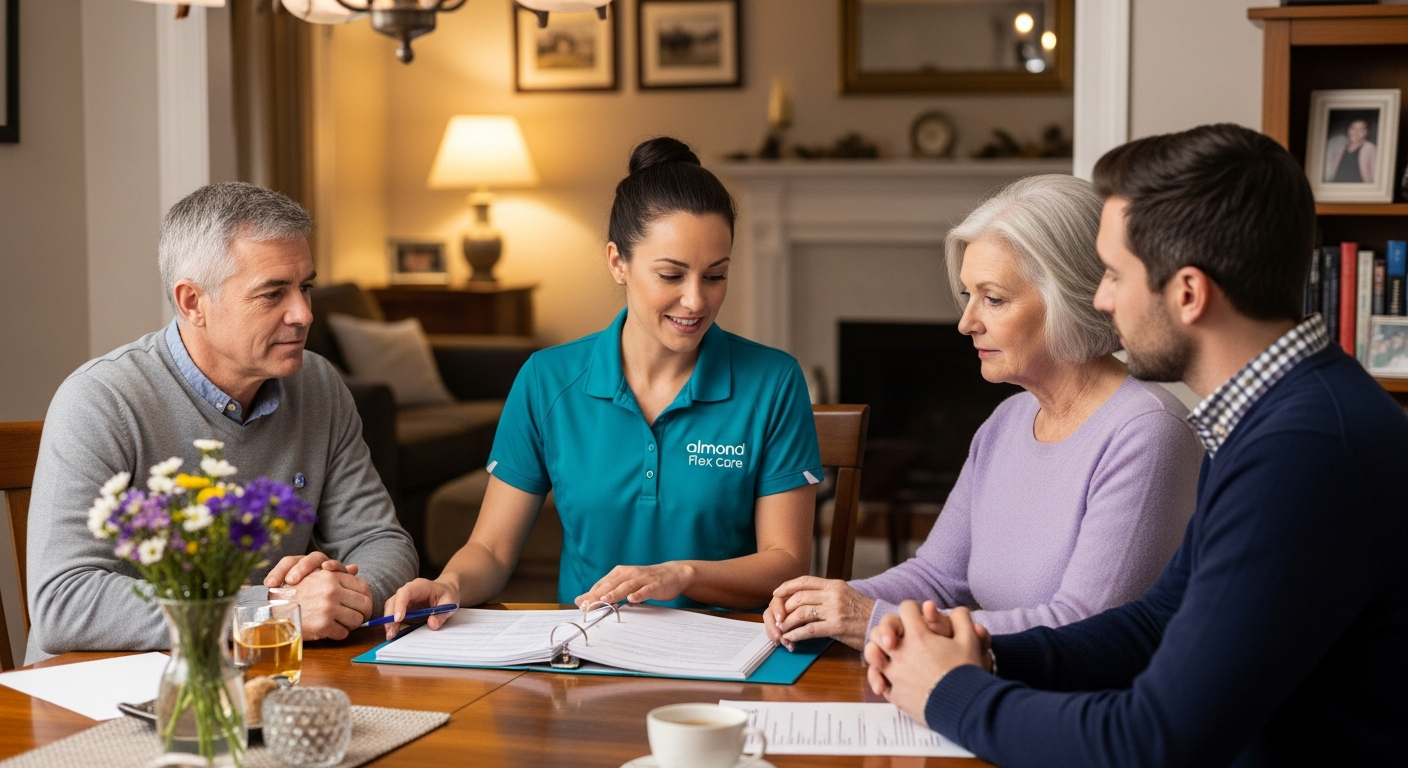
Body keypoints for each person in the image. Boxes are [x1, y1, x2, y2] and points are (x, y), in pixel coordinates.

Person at [864, 124, 1408, 766]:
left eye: (1116, 275)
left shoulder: (1305, 449)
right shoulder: (1273, 417)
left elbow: (1151, 741)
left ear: (1188, 294)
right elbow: (1155, 622)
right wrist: (982, 652)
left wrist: (950, 692)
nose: (1099, 299)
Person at [381, 137, 821, 634]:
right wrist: (450, 584)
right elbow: (492, 549)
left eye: (715, 276)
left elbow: (787, 564)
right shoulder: (546, 380)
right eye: (671, 275)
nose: (696, 300)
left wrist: (682, 575)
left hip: (724, 651)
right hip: (587, 648)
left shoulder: (774, 382)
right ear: (617, 262)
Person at [764, 175, 1203, 651]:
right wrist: (824, 603)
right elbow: (936, 577)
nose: (966, 322)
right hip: (997, 682)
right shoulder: (1007, 421)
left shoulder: (1149, 433)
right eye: (967, 296)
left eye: (993, 299)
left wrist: (872, 619)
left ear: (1069, 298)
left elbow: (1082, 627)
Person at [26, 182, 419, 663]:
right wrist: (271, 609)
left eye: (305, 287)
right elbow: (62, 603)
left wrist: (346, 594)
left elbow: (381, 541)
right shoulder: (100, 401)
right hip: (100, 687)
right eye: (273, 293)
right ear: (193, 302)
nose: (303, 314)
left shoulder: (318, 385)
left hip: (260, 673)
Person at [1325, 117, 1376, 184]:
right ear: (1348, 130)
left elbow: (1374, 173)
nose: (1356, 132)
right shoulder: (1342, 148)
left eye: (1360, 129)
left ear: (1366, 132)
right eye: (1353, 128)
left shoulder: (1370, 148)